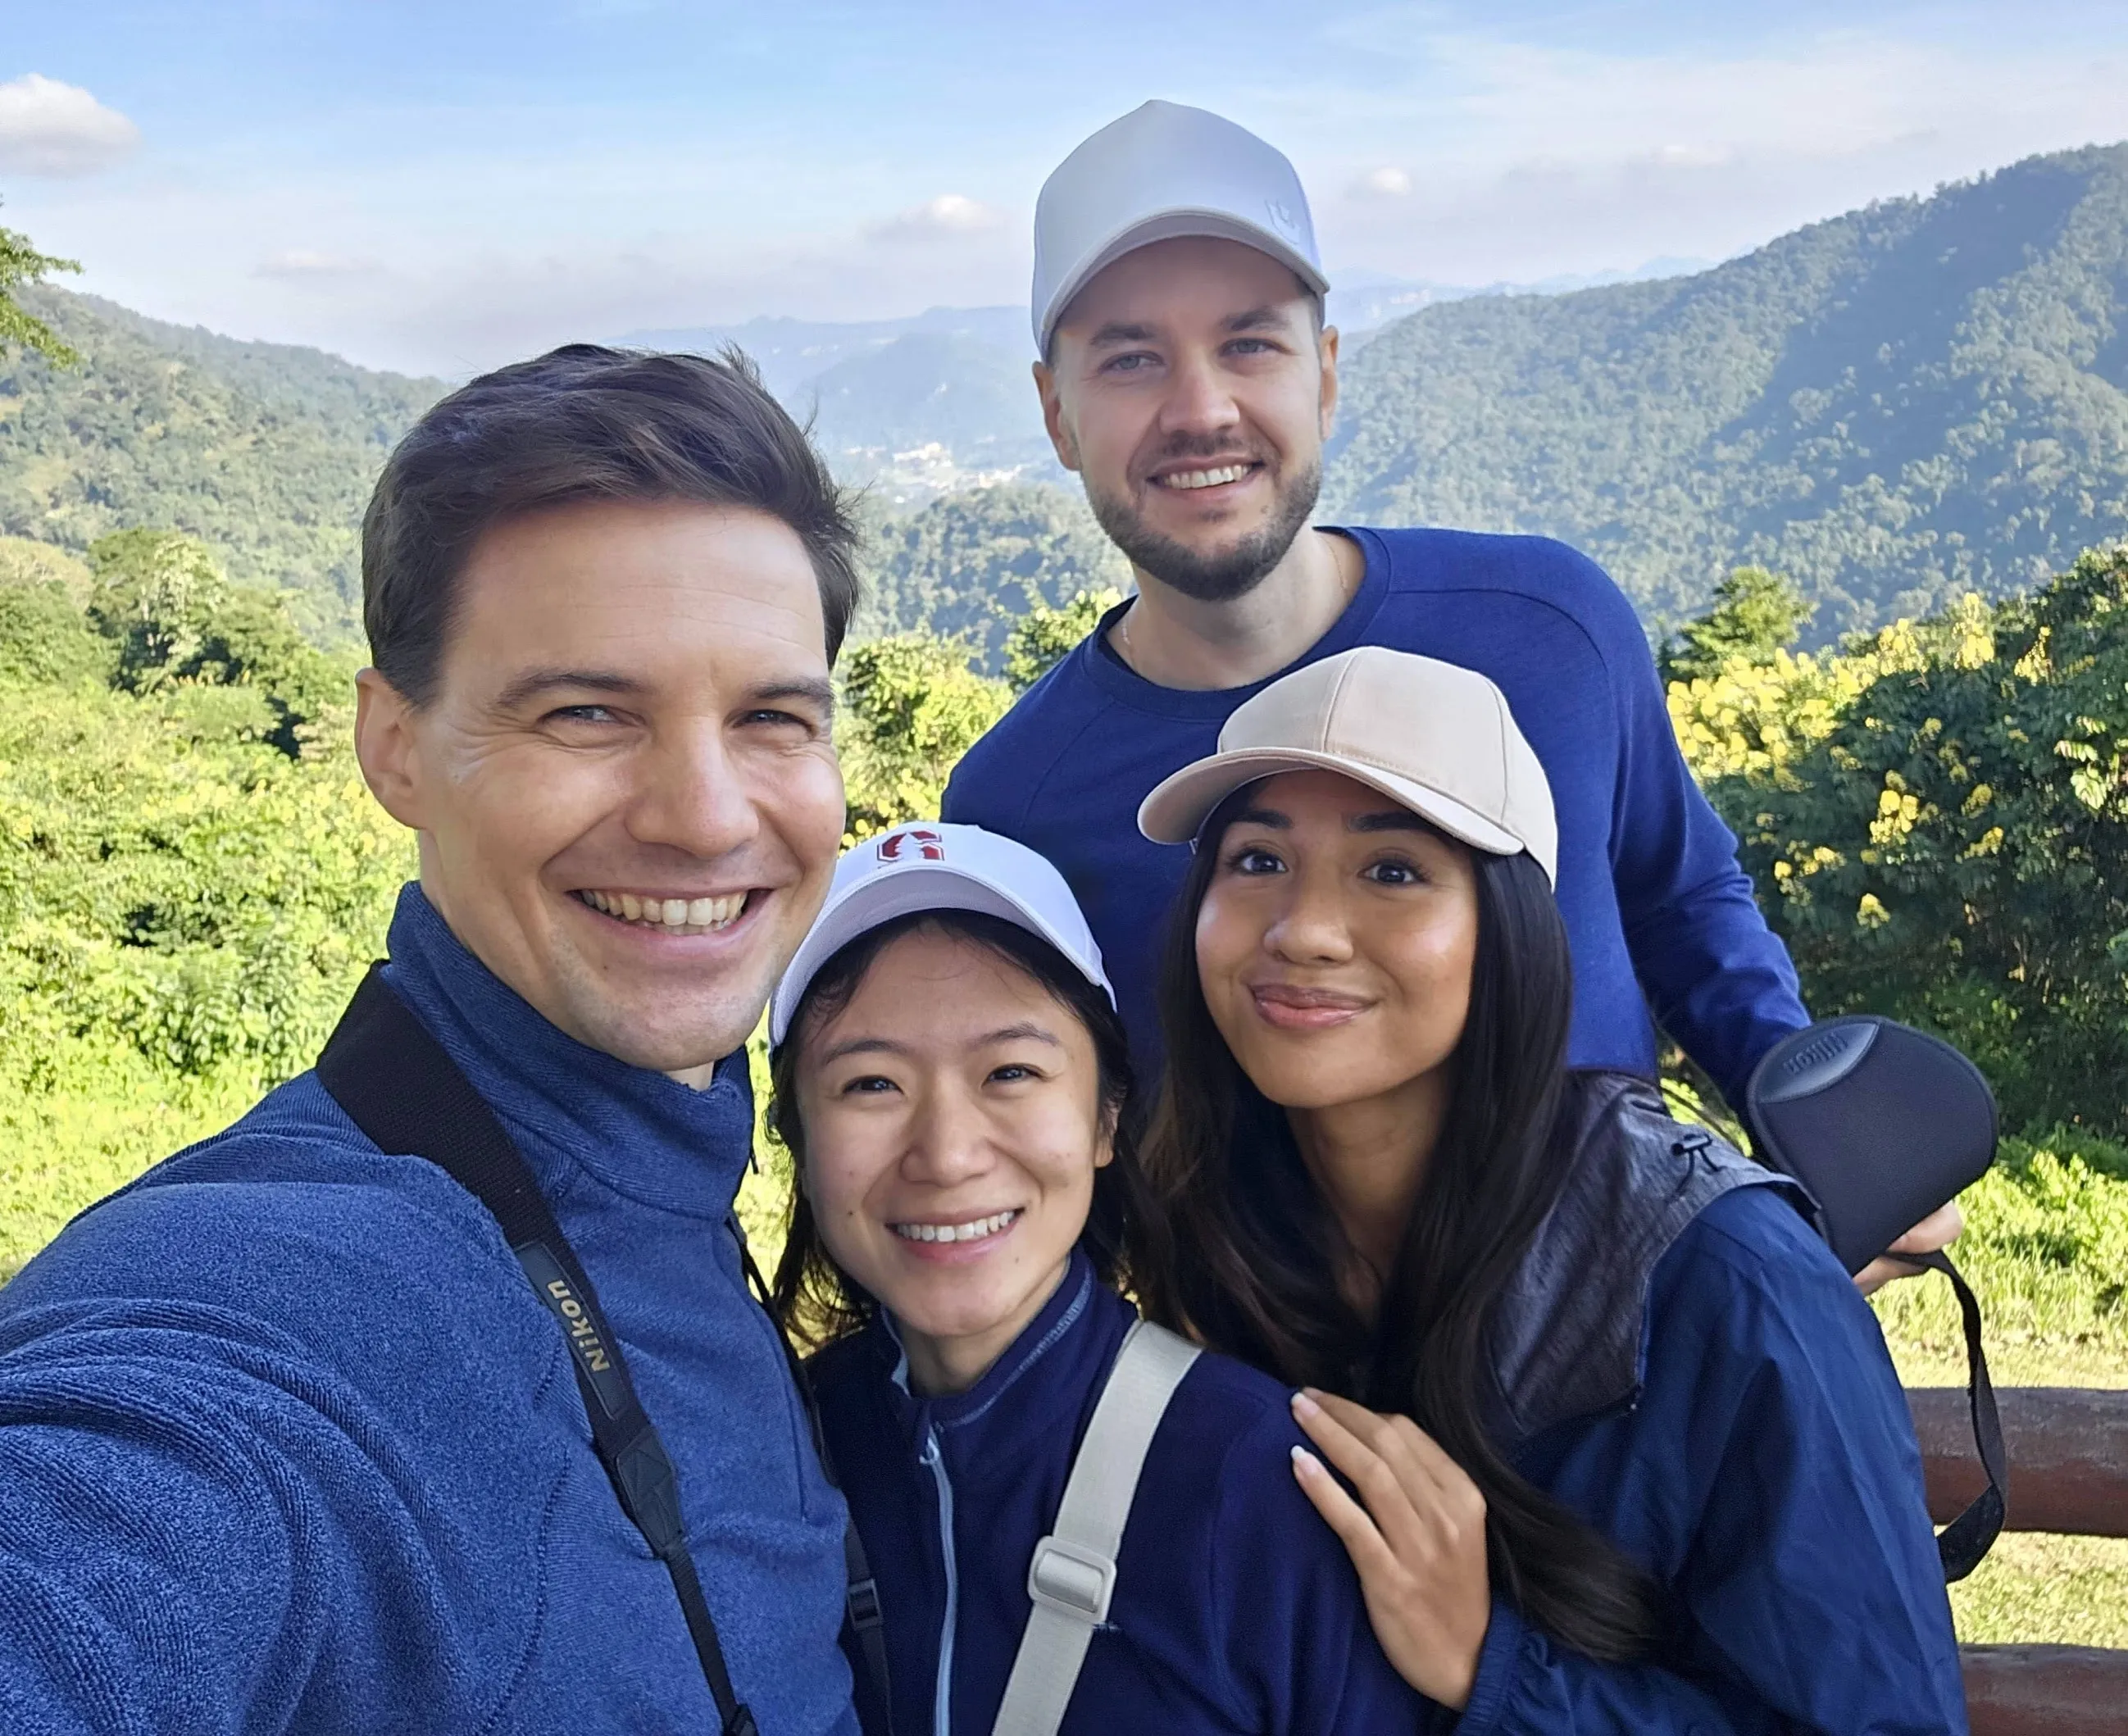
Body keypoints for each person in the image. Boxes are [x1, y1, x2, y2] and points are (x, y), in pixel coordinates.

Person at [939, 99, 1956, 1288]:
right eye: (1129, 357)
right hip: (1299, 1439)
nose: (1202, 406)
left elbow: (1680, 894)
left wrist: (1815, 1129)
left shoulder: (1549, 629)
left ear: (1324, 373)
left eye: (1251, 342)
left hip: (1636, 1361)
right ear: (1057, 413)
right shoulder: (1015, 806)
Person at [0, 348, 865, 1733]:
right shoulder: (318, 1292)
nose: (707, 815)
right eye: (588, 712)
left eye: (771, 716)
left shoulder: (671, 1180)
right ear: (393, 744)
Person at [1130, 645, 1968, 1732]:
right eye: (1255, 862)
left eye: (1392, 870)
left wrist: (1492, 1660)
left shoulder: (1729, 1282)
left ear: (1508, 925)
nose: (1303, 930)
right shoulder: (1199, 1223)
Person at [766, 822, 1424, 1734]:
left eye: (1011, 1071)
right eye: (871, 1085)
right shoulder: (774, 1454)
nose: (948, 1154)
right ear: (797, 1141)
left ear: (1107, 1118)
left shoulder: (1263, 1484)